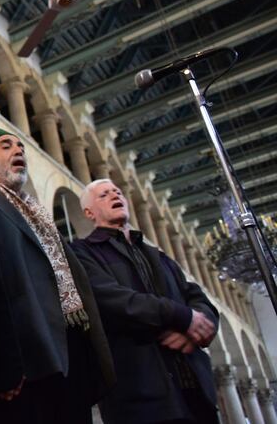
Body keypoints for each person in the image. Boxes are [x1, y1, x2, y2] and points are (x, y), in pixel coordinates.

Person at [0, 128, 115, 424]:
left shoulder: (38, 213)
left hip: (70, 350)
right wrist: (6, 361)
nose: (18, 150)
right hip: (26, 361)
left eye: (21, 146)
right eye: (6, 146)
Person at [71, 179, 219, 424]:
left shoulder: (155, 254)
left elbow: (195, 295)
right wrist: (181, 316)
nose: (114, 195)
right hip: (141, 394)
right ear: (88, 212)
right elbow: (113, 301)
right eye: (104, 195)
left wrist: (196, 328)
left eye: (117, 192)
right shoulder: (83, 253)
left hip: (194, 389)